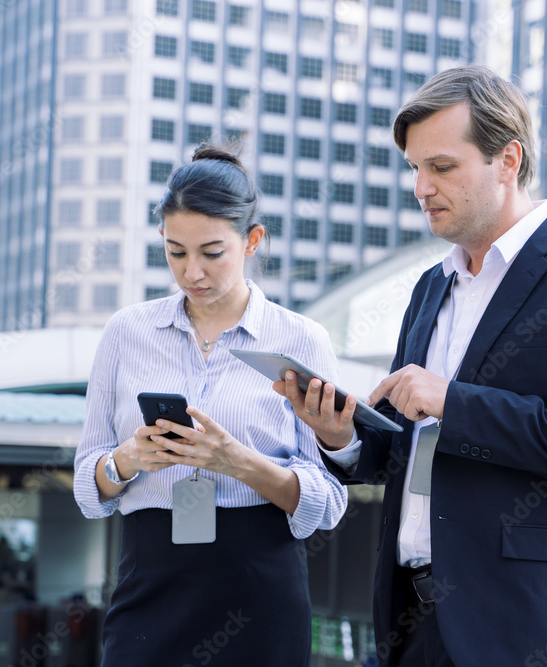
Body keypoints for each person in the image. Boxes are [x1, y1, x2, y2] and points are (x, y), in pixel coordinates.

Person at [276, 66, 547, 666]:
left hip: (529, 631)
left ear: (508, 159)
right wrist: (342, 435)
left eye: (442, 167)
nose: (421, 187)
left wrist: (455, 402)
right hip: (415, 625)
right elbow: (411, 450)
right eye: (414, 169)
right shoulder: (432, 287)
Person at [73, 143, 348, 666]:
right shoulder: (126, 333)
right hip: (150, 578)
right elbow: (89, 489)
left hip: (259, 586)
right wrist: (127, 460)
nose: (191, 271)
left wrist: (237, 463)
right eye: (175, 252)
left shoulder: (301, 340)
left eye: (211, 252)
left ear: (252, 241)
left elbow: (328, 503)